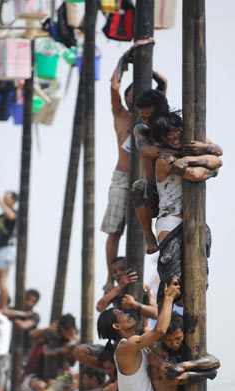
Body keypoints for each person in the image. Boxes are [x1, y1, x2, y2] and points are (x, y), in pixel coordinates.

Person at [101, 50, 168, 292]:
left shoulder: (152, 120)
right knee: (114, 229)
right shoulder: (121, 115)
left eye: (137, 97)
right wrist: (123, 61)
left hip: (144, 177)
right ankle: (110, 277)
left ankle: (133, 273)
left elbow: (163, 84)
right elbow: (113, 88)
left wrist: (147, 67)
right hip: (121, 177)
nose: (132, 100)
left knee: (141, 229)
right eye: (130, 96)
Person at [97, 279, 181, 391]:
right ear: (116, 326)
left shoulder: (137, 346)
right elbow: (159, 330)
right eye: (122, 315)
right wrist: (169, 298)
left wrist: (151, 298)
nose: (128, 315)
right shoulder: (125, 347)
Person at [151, 111, 223, 304]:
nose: (173, 137)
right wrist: (211, 169)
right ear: (161, 139)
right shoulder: (164, 159)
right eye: (167, 135)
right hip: (170, 221)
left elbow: (219, 157)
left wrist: (196, 154)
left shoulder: (189, 148)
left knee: (198, 278)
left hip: (193, 220)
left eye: (175, 131)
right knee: (175, 283)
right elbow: (196, 175)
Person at [132, 89, 171, 254]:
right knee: (138, 188)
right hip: (154, 193)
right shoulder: (142, 130)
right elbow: (146, 151)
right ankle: (149, 238)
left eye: (150, 118)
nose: (147, 121)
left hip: (175, 190)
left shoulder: (174, 129)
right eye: (144, 118)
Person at [96, 256, 158, 327]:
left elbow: (156, 314)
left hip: (142, 332)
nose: (118, 273)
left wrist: (135, 304)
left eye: (122, 269)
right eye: (114, 272)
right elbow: (99, 307)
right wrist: (120, 287)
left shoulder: (145, 289)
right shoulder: (114, 292)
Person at [12, 288, 41, 360]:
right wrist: (23, 314)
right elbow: (4, 310)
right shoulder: (16, 311)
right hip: (10, 352)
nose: (29, 303)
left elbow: (23, 326)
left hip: (26, 354)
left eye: (33, 302)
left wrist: (14, 317)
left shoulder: (35, 316)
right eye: (28, 300)